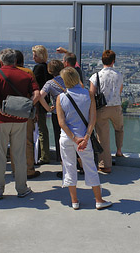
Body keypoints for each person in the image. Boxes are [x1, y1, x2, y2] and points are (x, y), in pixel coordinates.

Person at [0, 48, 39, 200]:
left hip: (0, 119)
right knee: (19, 155)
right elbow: (37, 93)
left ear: (1, 61)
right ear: (15, 61)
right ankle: (21, 188)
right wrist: (28, 106)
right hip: (20, 119)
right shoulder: (25, 75)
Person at [56, 67, 112, 210]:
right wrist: (85, 137)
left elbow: (61, 122)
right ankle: (98, 200)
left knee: (69, 168)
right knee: (90, 167)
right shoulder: (88, 94)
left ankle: (74, 201)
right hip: (84, 138)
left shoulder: (60, 97)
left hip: (67, 138)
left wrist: (74, 138)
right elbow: (93, 118)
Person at [89, 49, 124, 174]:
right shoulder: (119, 74)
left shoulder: (96, 76)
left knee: (103, 137)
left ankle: (105, 165)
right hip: (116, 107)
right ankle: (119, 150)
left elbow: (92, 94)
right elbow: (119, 91)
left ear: (102, 60)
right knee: (119, 128)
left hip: (102, 108)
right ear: (113, 61)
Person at [14, 50, 40, 179]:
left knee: (13, 142)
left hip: (9, 111)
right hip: (26, 110)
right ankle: (29, 169)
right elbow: (35, 92)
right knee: (28, 141)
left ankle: (15, 169)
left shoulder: (2, 72)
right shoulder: (28, 73)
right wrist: (33, 109)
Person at [38, 60, 66, 176]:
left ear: (50, 71)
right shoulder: (69, 79)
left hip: (57, 114)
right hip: (72, 112)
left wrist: (48, 108)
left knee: (59, 139)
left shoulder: (50, 83)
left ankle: (64, 166)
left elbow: (40, 96)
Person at [32, 45, 53, 165]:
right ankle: (43, 154)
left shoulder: (38, 68)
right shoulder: (48, 68)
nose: (33, 57)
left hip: (38, 102)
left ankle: (43, 155)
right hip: (45, 101)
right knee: (42, 129)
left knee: (39, 129)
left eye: (35, 55)